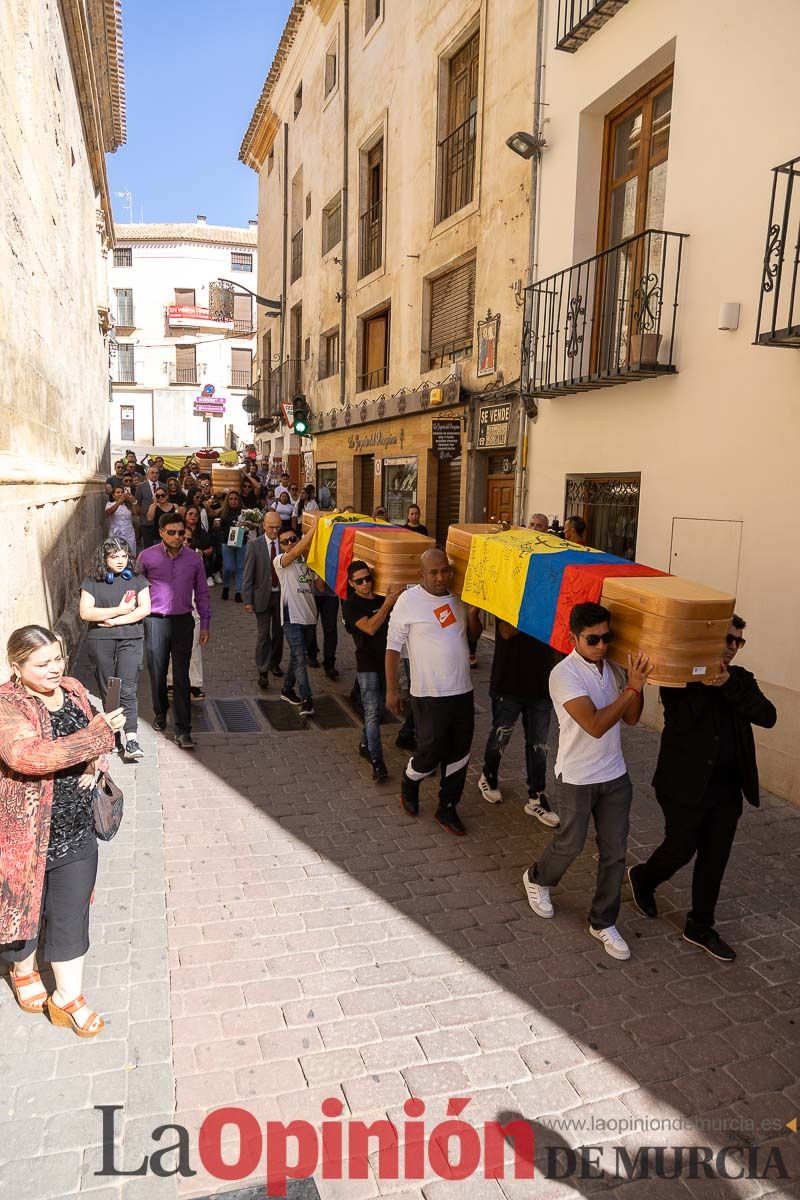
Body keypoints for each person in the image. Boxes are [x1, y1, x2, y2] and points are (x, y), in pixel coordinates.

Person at [628, 615, 777, 962]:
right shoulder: (681, 678)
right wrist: (706, 679)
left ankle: (699, 926)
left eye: (738, 642)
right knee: (680, 849)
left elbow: (768, 716)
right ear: (711, 640)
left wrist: (728, 685)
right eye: (727, 639)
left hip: (727, 790)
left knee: (715, 858)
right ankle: (643, 878)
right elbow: (683, 719)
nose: (732, 648)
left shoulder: (741, 680)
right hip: (684, 787)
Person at [0, 625, 125, 1036]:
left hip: (76, 828)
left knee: (71, 911)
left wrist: (97, 761)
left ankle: (67, 997)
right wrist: (96, 740)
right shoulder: (7, 705)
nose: (54, 669)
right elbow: (28, 755)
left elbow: (95, 734)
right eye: (42, 663)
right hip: (26, 834)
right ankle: (21, 967)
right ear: (17, 666)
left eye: (57, 658)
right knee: (25, 907)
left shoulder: (71, 689)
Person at [522, 602, 652, 961]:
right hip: (577, 776)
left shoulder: (612, 668)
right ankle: (537, 878)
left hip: (615, 775)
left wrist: (637, 687)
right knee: (571, 843)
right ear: (573, 638)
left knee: (615, 852)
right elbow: (594, 725)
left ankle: (603, 920)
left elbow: (632, 720)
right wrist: (631, 689)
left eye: (607, 638)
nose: (601, 646)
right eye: (592, 639)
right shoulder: (563, 675)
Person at [386, 549, 483, 836]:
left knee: (460, 751)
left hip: (462, 690)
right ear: (422, 574)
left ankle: (448, 806)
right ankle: (410, 780)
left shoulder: (458, 597)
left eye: (445, 571)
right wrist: (392, 690)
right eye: (434, 572)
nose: (441, 577)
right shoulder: (409, 601)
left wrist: (474, 613)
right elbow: (392, 648)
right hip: (428, 693)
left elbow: (473, 636)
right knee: (430, 751)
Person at [138, 512, 211, 749]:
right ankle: (160, 712)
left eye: (181, 533)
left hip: (183, 622)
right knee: (157, 673)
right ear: (161, 532)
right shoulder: (146, 557)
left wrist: (206, 623)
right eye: (172, 532)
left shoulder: (194, 559)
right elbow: (135, 590)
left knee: (182, 677)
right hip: (155, 621)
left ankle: (183, 730)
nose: (177, 537)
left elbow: (202, 593)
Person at [478, 623, 561, 828]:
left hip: (541, 684)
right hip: (509, 683)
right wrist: (538, 608)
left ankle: (536, 797)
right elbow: (506, 631)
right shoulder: (512, 595)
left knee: (538, 745)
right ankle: (488, 776)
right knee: (501, 736)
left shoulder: (552, 596)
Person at [79, 537, 150, 761]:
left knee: (127, 688)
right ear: (105, 558)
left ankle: (131, 739)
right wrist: (118, 611)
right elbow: (86, 613)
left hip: (131, 638)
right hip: (101, 640)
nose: (120, 561)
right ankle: (112, 733)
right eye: (114, 557)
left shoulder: (137, 579)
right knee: (110, 689)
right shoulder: (92, 582)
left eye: (124, 556)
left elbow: (144, 609)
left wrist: (116, 621)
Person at [343, 562, 402, 783]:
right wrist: (387, 605)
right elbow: (370, 628)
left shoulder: (379, 596)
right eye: (359, 581)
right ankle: (377, 762)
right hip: (367, 664)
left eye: (368, 579)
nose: (366, 584)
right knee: (372, 712)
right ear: (351, 583)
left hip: (386, 662)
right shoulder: (352, 605)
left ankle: (365, 744)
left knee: (377, 709)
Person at [274, 518, 322, 718]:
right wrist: (315, 527)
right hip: (291, 617)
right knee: (301, 658)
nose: (289, 544)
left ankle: (286, 689)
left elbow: (319, 588)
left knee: (297, 656)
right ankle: (307, 699)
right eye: (284, 541)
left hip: (310, 617)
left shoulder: (308, 561)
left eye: (292, 539)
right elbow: (294, 553)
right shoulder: (280, 561)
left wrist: (319, 569)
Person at [242, 511, 285, 688]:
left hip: (281, 595)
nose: (275, 531)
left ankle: (275, 662)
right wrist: (247, 600)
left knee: (279, 632)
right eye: (272, 527)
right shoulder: (254, 545)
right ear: (264, 525)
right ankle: (263, 669)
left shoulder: (285, 543)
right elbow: (248, 574)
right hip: (261, 596)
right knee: (263, 634)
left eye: (278, 527)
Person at [307, 581, 340, 679]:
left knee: (331, 628)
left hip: (331, 591)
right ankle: (311, 653)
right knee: (311, 625)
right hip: (311, 591)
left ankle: (329, 662)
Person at [218, 490, 246, 601]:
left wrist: (247, 524)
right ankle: (226, 586)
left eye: (235, 499)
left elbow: (253, 526)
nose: (233, 501)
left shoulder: (245, 512)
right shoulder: (223, 512)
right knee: (228, 567)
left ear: (239, 500)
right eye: (231, 499)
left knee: (240, 567)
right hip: (227, 542)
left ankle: (238, 592)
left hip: (242, 541)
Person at [104, 484, 138, 555]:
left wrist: (134, 502)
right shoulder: (110, 504)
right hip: (115, 534)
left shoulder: (128, 505)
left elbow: (136, 513)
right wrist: (119, 502)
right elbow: (109, 512)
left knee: (130, 554)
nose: (120, 494)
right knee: (115, 555)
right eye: (118, 492)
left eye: (122, 492)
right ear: (113, 495)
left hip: (129, 534)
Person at [135, 464, 161, 549]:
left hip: (160, 521)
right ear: (148, 474)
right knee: (147, 547)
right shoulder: (141, 486)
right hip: (146, 522)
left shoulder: (164, 486)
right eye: (152, 472)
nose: (155, 474)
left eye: (157, 473)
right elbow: (138, 502)